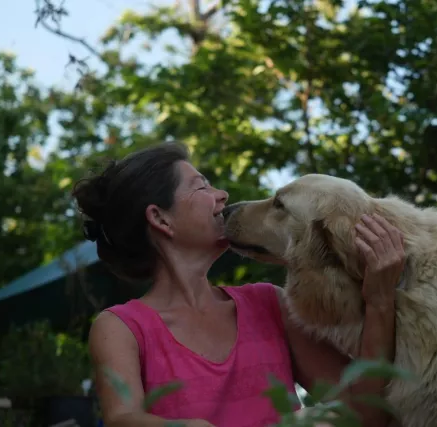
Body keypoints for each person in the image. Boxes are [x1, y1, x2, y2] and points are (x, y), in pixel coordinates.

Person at [72, 142, 406, 427]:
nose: (222, 195)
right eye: (202, 186)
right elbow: (122, 419)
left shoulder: (270, 305)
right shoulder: (122, 328)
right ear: (160, 219)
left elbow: (364, 412)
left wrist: (379, 300)